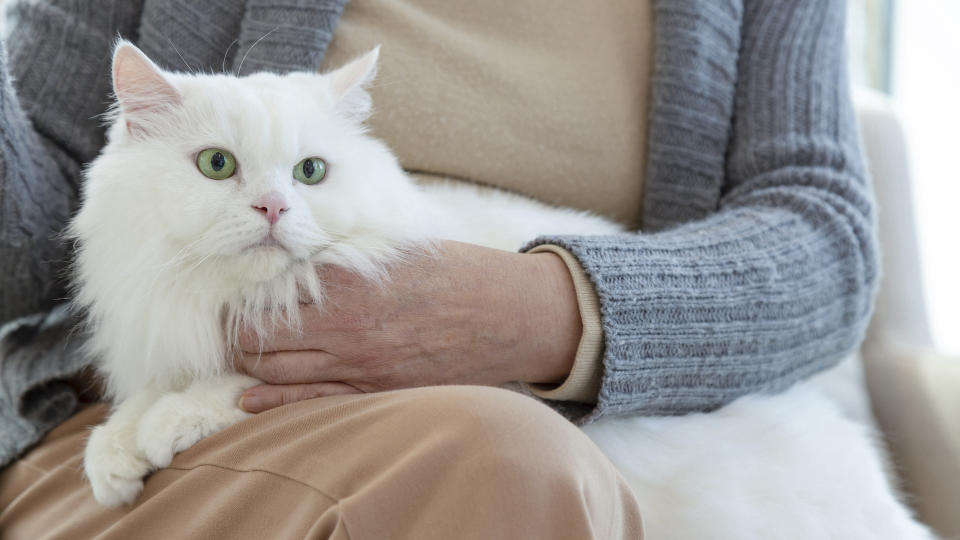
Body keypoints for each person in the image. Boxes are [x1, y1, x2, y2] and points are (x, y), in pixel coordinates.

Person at [0, 0, 875, 538]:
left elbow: (823, 232)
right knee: (504, 464)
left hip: (612, 417)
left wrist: (548, 314)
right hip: (132, 417)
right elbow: (25, 251)